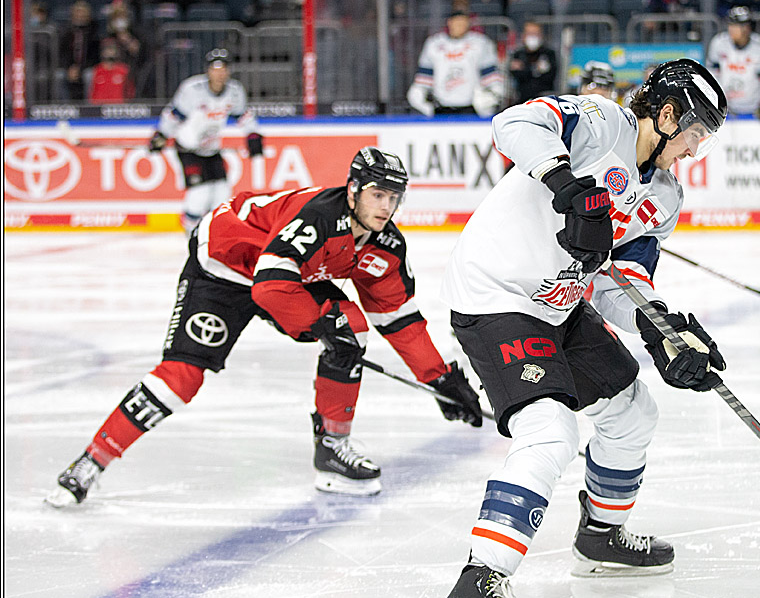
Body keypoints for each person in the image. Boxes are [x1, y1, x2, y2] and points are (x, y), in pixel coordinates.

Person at [429, 58, 728, 598]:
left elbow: (623, 281)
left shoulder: (664, 195)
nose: (695, 149)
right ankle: (475, 588)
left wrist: (660, 331)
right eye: (695, 133)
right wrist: (571, 188)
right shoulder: (600, 123)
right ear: (666, 115)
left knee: (633, 411)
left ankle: (599, 538)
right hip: (498, 295)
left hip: (560, 303)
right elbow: (513, 122)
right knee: (549, 429)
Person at [46, 148, 483, 508]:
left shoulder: (386, 246)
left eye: (394, 198)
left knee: (351, 326)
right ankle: (91, 460)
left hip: (282, 275)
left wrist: (439, 377)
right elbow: (270, 288)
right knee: (182, 377)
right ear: (352, 192)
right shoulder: (319, 218)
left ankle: (332, 448)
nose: (386, 207)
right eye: (377, 195)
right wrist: (319, 326)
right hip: (221, 267)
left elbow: (399, 318)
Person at [150, 49, 264, 234]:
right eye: (215, 68)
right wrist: (161, 135)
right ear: (208, 71)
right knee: (199, 195)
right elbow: (173, 116)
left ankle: (213, 236)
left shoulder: (234, 91)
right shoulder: (192, 90)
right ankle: (191, 235)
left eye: (223, 69)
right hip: (189, 149)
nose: (219, 73)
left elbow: (245, 117)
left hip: (212, 149)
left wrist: (253, 137)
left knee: (222, 194)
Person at [407, 9, 504, 117]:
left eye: (463, 23)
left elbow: (490, 73)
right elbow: (425, 76)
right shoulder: (434, 43)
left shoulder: (480, 43)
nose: (460, 26)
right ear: (449, 22)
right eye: (457, 22)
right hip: (441, 105)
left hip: (472, 106)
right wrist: (420, 97)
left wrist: (494, 93)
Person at [706, 6, 760, 122]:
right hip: (725, 109)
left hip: (753, 109)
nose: (731, 29)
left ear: (746, 28)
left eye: (735, 25)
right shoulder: (718, 43)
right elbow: (712, 75)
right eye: (730, 25)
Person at [58, 0, 100, 101]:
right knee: (58, 75)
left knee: (89, 75)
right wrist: (68, 68)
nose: (80, 16)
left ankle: (89, 105)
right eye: (78, 13)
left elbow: (95, 57)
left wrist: (80, 69)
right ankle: (65, 107)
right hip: (69, 68)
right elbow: (61, 54)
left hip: (87, 67)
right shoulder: (65, 33)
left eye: (83, 14)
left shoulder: (95, 33)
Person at [508, 21, 558, 105]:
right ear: (523, 36)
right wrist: (536, 69)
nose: (532, 37)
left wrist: (525, 68)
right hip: (522, 98)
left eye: (535, 34)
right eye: (530, 34)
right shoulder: (518, 54)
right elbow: (517, 75)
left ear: (541, 35)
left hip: (545, 98)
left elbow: (549, 76)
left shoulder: (549, 53)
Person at [88, 39, 134, 104]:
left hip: (118, 108)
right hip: (99, 108)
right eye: (107, 49)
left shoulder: (124, 70)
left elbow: (130, 92)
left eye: (112, 49)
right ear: (102, 51)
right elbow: (91, 93)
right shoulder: (96, 70)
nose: (109, 51)